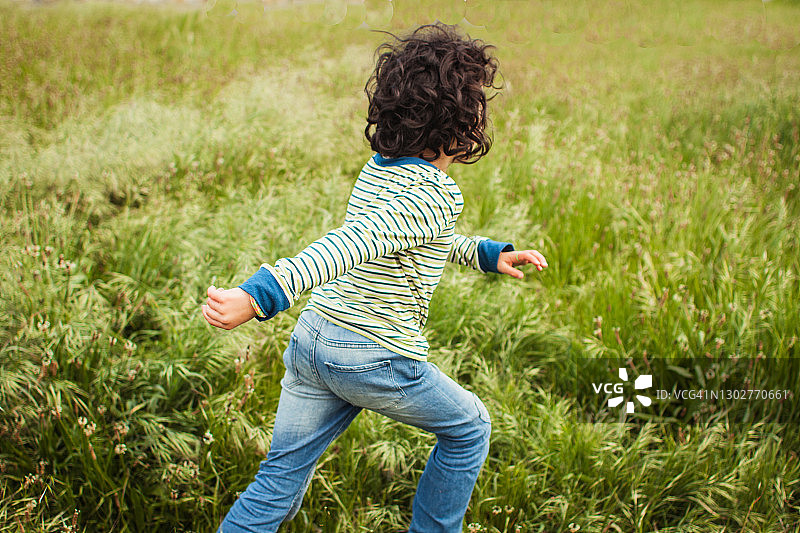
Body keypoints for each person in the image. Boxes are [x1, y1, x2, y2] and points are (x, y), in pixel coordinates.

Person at [201, 22, 548, 533]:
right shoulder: (434, 194)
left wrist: (485, 254)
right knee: (470, 428)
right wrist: (259, 296)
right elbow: (352, 244)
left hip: (314, 342)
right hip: (370, 355)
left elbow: (405, 239)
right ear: (460, 125)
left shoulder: (381, 167)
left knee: (279, 480)